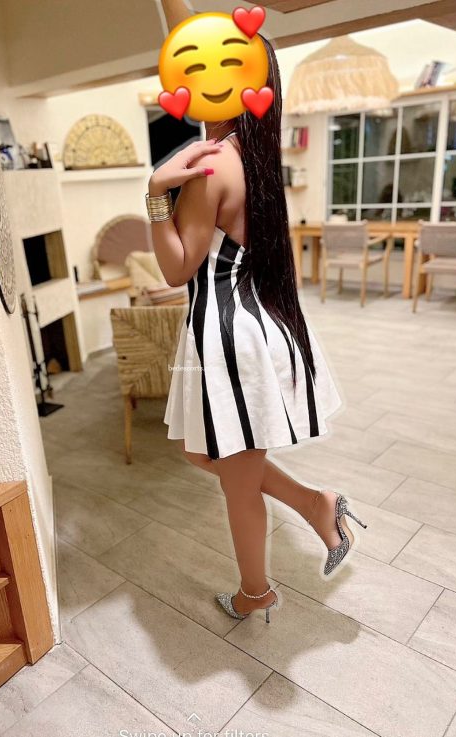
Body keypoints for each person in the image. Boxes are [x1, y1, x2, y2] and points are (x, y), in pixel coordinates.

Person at [146, 27, 367, 624]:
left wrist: (154, 194)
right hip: (247, 325)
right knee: (204, 454)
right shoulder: (252, 155)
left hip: (229, 338)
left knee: (235, 485)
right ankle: (316, 504)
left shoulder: (213, 164)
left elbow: (176, 268)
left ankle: (255, 592)